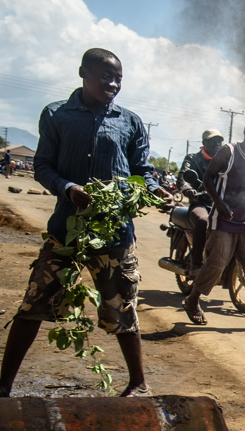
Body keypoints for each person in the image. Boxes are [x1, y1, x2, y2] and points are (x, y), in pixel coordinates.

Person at [0, 48, 167, 399]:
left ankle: (138, 383)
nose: (113, 83)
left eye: (118, 77)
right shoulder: (57, 114)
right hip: (67, 232)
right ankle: (3, 384)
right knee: (34, 303)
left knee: (123, 307)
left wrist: (154, 190)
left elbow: (143, 171)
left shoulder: (130, 121)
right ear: (83, 73)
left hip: (115, 233)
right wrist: (68, 188)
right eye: (106, 75)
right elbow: (44, 165)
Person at [182, 118, 245, 332]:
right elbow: (209, 178)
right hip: (224, 223)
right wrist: (220, 203)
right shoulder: (229, 152)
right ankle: (192, 301)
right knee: (215, 266)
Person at [177, 129, 225, 275]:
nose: (218, 145)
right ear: (204, 143)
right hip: (200, 202)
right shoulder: (193, 159)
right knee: (203, 221)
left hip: (219, 204)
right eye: (213, 142)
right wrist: (187, 189)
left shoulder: (224, 161)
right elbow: (183, 177)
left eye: (219, 142)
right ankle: (196, 265)